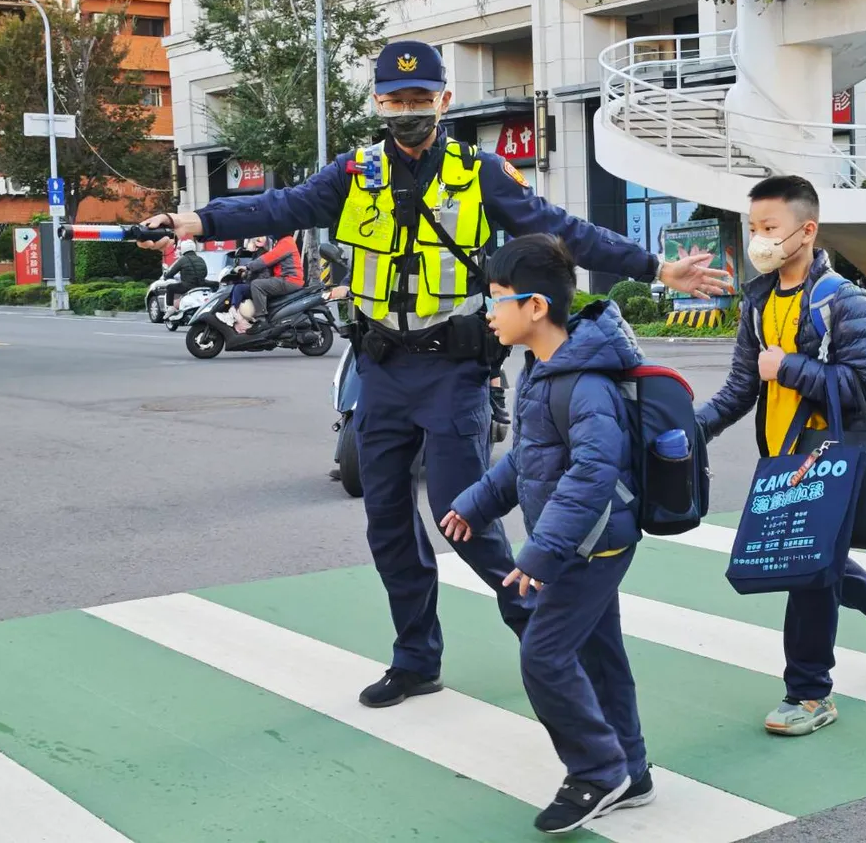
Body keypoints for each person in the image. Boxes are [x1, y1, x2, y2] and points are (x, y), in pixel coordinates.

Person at [137, 39, 726, 709]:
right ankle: (417, 658)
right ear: (378, 102)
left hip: (454, 371)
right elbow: (279, 207)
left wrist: (654, 267)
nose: (408, 111)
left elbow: (560, 229)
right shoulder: (354, 173)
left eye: (420, 99)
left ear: (445, 101)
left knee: (463, 519)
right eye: (396, 100)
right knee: (387, 522)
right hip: (380, 368)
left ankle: (542, 639)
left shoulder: (481, 173)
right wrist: (191, 220)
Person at [695, 175, 866, 737]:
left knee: (808, 574)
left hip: (833, 456)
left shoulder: (843, 299)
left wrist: (789, 368)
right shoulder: (758, 300)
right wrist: (689, 431)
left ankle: (809, 693)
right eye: (754, 228)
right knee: (816, 562)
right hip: (783, 460)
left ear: (807, 230)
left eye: (770, 228)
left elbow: (864, 385)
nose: (760, 240)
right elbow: (739, 388)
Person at [441, 235, 650, 833]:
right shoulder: (545, 371)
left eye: (498, 297)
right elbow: (526, 460)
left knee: (544, 654)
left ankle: (597, 771)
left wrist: (542, 552)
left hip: (591, 543)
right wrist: (477, 504)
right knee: (598, 654)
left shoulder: (583, 382)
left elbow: (592, 471)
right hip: (580, 540)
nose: (488, 310)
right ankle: (631, 772)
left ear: (536, 308)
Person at [243, 233, 305, 330]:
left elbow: (268, 258)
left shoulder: (286, 242)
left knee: (256, 285)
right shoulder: (283, 242)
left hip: (289, 280)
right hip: (286, 279)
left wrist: (248, 266)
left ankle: (261, 320)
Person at [162, 239, 209, 308]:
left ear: (183, 249)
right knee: (216, 284)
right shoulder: (200, 259)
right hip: (202, 284)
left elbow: (171, 273)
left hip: (187, 286)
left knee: (170, 287)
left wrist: (166, 276)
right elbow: (205, 273)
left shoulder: (182, 260)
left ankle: (170, 308)